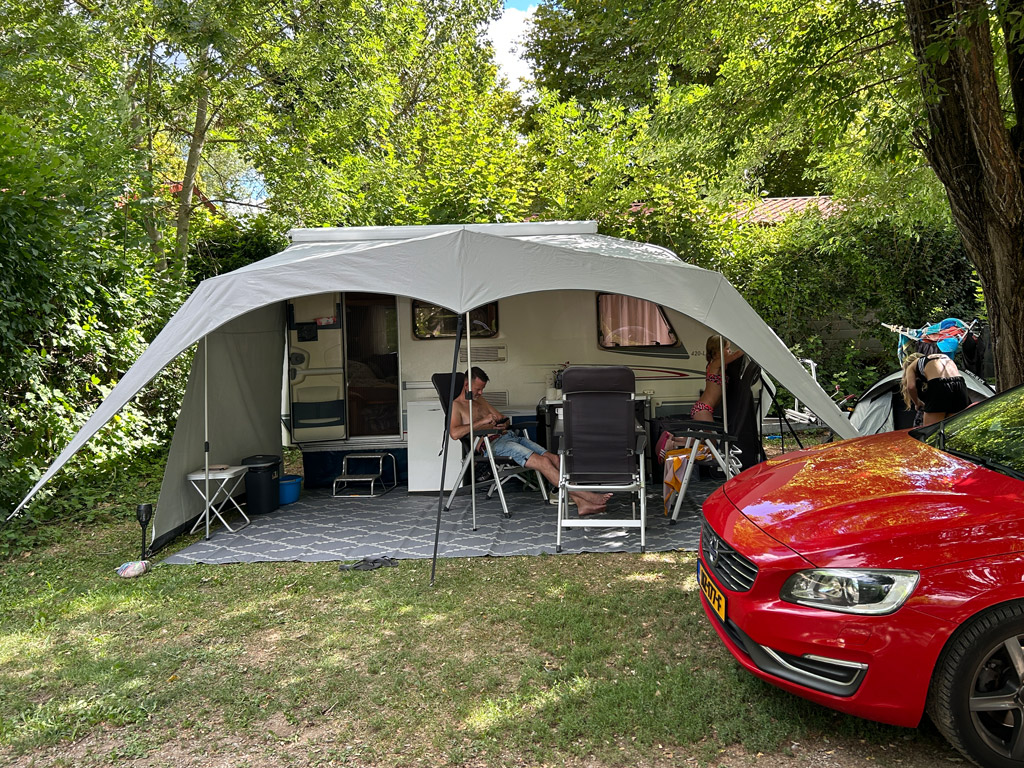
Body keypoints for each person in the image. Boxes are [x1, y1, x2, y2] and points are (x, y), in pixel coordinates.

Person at [449, 367, 612, 516]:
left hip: (508, 436)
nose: (481, 392)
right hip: (492, 445)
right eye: (478, 389)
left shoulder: (481, 401)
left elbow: (503, 419)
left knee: (554, 458)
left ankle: (581, 503)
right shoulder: (456, 406)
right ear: (466, 385)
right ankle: (587, 496)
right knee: (543, 463)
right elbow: (455, 433)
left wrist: (501, 423)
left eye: (482, 388)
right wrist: (482, 422)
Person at [656, 336, 745, 461]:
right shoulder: (715, 363)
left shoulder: (718, 365)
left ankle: (674, 439)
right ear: (717, 352)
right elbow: (735, 356)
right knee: (711, 443)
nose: (729, 351)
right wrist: (747, 347)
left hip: (703, 409)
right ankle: (675, 445)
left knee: (703, 439)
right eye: (727, 348)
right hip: (703, 410)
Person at [900, 351, 970, 426]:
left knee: (931, 431)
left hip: (939, 386)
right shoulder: (938, 358)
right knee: (954, 428)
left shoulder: (912, 365)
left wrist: (917, 403)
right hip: (960, 384)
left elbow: (910, 387)